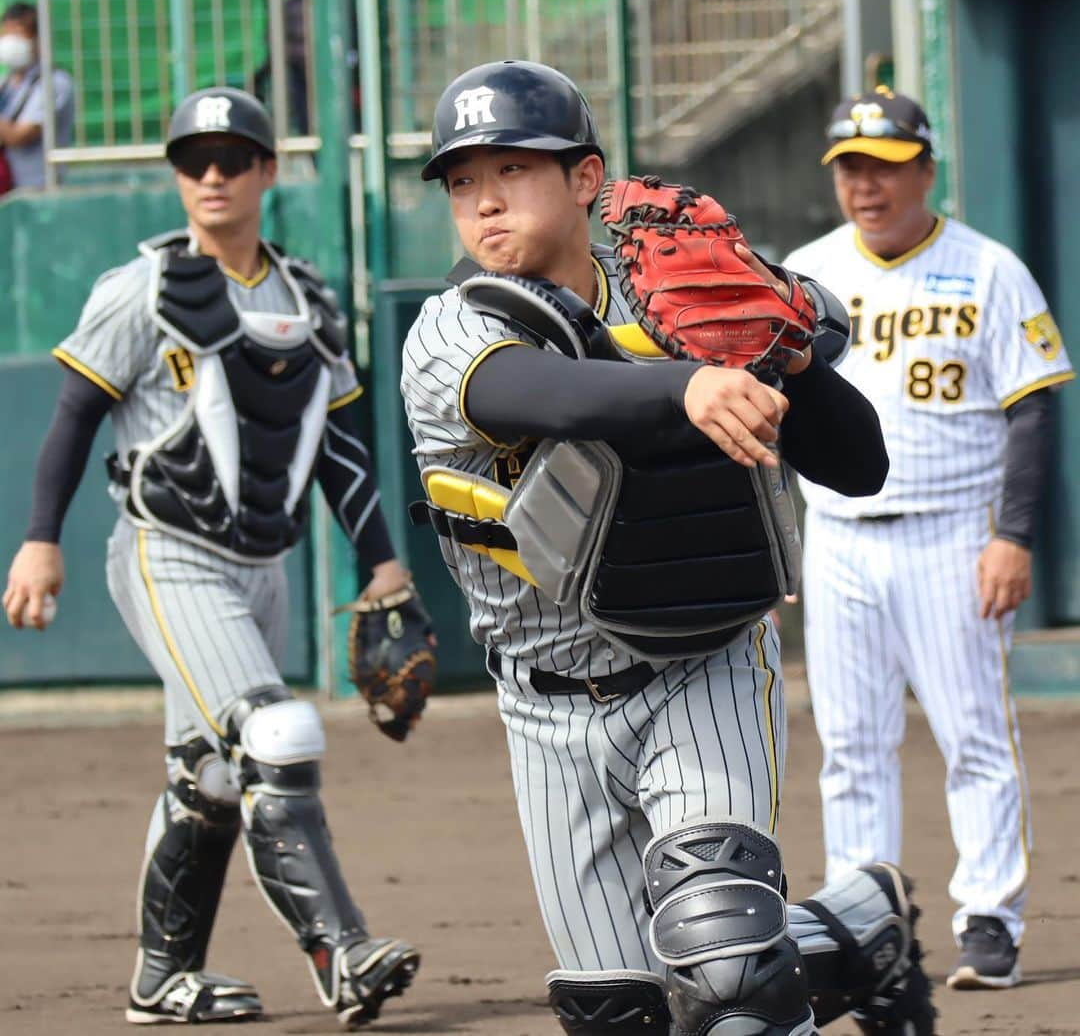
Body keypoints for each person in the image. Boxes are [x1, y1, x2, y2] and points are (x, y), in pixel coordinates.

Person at [401, 58, 935, 1035]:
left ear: (586, 178)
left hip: (704, 669)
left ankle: (782, 961)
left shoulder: (695, 295)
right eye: (462, 180)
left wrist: (794, 358)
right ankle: (857, 930)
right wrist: (684, 386)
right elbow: (533, 392)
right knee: (620, 1012)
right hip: (543, 699)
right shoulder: (450, 330)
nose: (483, 200)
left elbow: (859, 467)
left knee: (724, 967)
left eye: (511, 170)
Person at [2, 86, 420, 1027]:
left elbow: (339, 448)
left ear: (269, 169)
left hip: (261, 568)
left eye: (234, 156)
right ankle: (345, 951)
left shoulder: (308, 297)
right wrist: (39, 543)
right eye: (194, 159)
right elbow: (73, 419)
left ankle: (163, 978)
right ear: (177, 175)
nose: (214, 174)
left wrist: (384, 564)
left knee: (214, 776)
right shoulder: (141, 289)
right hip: (167, 552)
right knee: (277, 732)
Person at [784, 87, 1075, 992]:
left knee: (975, 735)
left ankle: (989, 915)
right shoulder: (805, 272)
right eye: (852, 168)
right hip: (836, 538)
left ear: (926, 169)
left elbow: (1032, 408)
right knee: (851, 744)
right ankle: (860, 923)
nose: (867, 186)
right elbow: (767, 411)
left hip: (955, 533)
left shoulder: (989, 269)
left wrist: (1014, 535)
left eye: (886, 166)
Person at [0, 0, 74, 191]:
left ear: (39, 38)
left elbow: (19, 136)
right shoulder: (6, 82)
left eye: (18, 33)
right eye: (7, 33)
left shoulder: (54, 82)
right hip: (8, 191)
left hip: (38, 189)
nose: (10, 41)